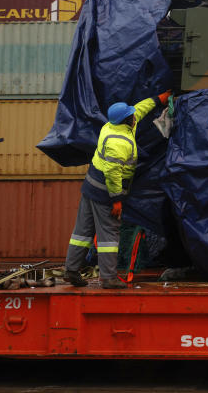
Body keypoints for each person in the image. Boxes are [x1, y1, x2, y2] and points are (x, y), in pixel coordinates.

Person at [64, 90, 172, 288]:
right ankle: (108, 278)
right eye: (131, 116)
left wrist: (158, 99)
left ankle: (71, 269)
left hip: (90, 186)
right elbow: (113, 174)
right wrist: (116, 201)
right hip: (104, 192)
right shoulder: (118, 142)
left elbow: (139, 109)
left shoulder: (113, 125)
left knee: (82, 232)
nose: (134, 116)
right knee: (109, 236)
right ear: (127, 120)